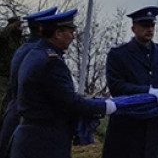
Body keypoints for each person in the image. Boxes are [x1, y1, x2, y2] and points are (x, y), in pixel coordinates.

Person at [11, 9, 116, 158]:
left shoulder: (36, 54)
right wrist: (104, 106)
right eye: (70, 31)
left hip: (31, 138)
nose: (73, 36)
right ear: (58, 34)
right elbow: (69, 102)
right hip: (45, 143)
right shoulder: (51, 62)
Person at [102, 6, 158, 158]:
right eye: (144, 25)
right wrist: (147, 91)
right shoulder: (119, 54)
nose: (149, 29)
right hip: (127, 123)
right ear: (134, 28)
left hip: (153, 123)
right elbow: (117, 87)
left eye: (152, 25)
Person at [0, 7, 57, 157]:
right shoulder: (38, 53)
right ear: (41, 28)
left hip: (16, 115)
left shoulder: (24, 48)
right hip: (26, 121)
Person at [0, 16, 24, 114]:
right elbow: (2, 35)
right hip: (3, 74)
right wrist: (11, 27)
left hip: (15, 76)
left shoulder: (20, 40)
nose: (20, 27)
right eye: (18, 25)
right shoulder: (5, 37)